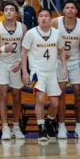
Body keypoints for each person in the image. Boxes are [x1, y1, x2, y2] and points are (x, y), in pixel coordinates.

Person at [21, 8, 64, 143]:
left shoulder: (57, 33)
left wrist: (64, 67)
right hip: (37, 72)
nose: (43, 18)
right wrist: (25, 72)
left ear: (51, 19)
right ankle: (41, 128)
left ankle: (50, 121)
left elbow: (62, 50)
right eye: (41, 16)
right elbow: (23, 53)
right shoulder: (31, 33)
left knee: (55, 103)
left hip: (52, 71)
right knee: (39, 98)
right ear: (38, 18)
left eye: (46, 16)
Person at [55, 0, 80, 139]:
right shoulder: (55, 23)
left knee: (78, 92)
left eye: (72, 8)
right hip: (58, 61)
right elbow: (48, 42)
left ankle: (79, 127)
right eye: (67, 7)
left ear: (76, 11)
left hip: (75, 61)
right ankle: (61, 126)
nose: (70, 10)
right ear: (63, 10)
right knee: (60, 94)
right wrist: (59, 53)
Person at [0, 2, 26, 141]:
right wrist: (3, 49)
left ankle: (16, 127)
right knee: (3, 96)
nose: (9, 12)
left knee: (17, 97)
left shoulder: (23, 28)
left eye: (12, 10)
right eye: (6, 10)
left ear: (16, 13)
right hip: (1, 63)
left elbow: (26, 50)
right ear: (3, 12)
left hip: (16, 64)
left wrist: (20, 64)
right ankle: (5, 127)